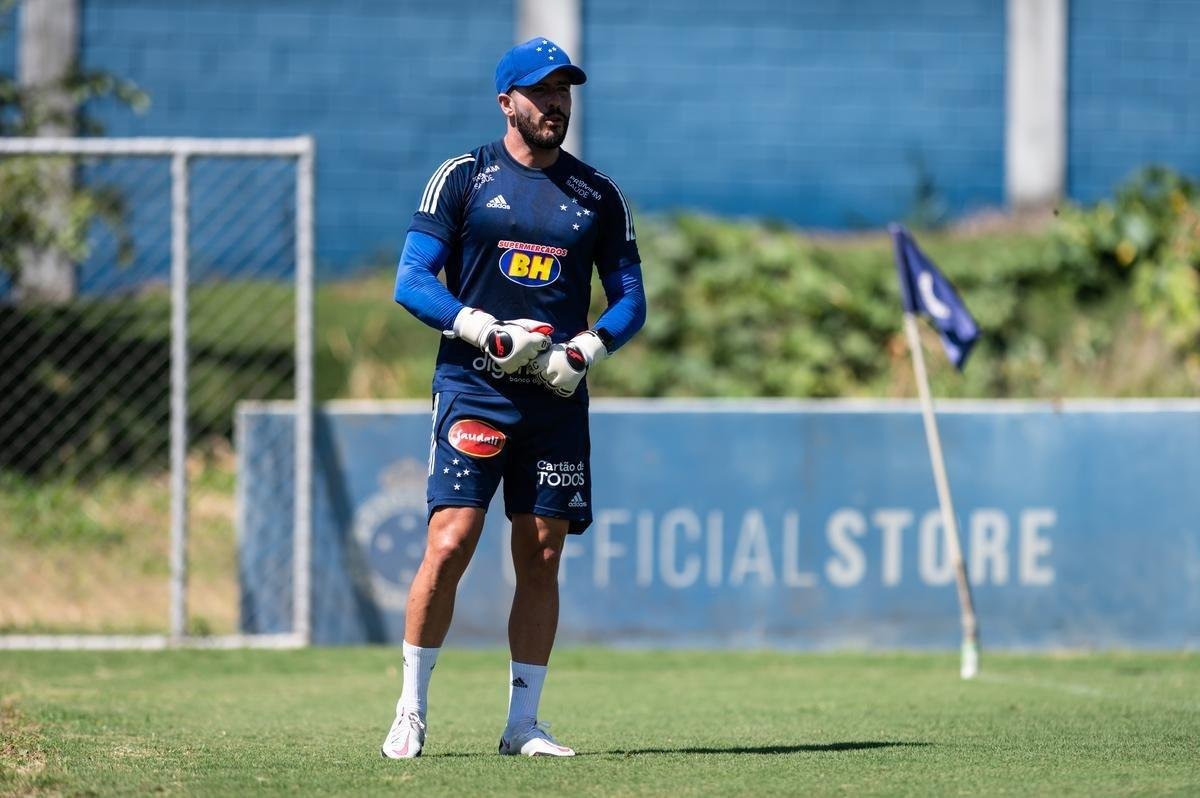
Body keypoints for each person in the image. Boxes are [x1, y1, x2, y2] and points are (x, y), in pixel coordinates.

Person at [380, 36, 647, 759]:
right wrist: (481, 330)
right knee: (451, 540)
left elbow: (630, 300)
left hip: (554, 401)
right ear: (507, 102)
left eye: (564, 90)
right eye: (541, 91)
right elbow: (412, 281)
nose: (555, 102)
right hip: (474, 386)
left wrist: (586, 349)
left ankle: (523, 724)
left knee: (542, 555)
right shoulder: (462, 177)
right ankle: (410, 710)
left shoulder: (600, 195)